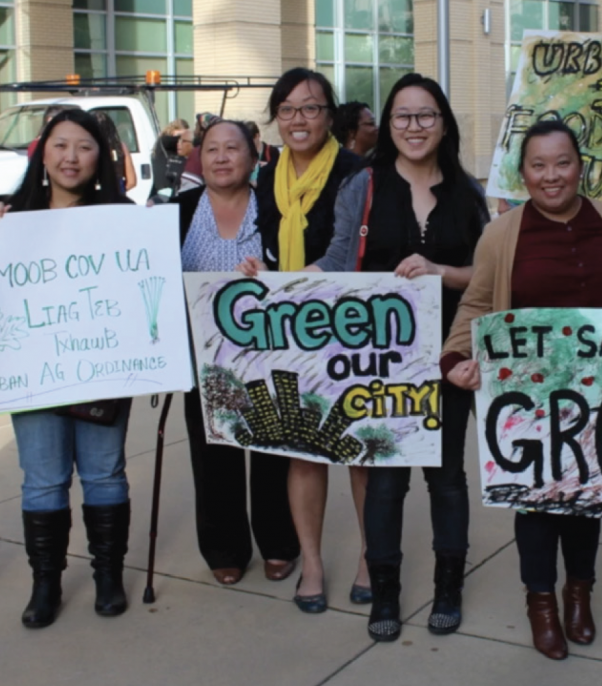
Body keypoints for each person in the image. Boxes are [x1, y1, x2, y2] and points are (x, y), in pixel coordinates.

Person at [443, 120, 602, 659]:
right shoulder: (502, 234)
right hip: (529, 400)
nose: (551, 176)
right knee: (538, 505)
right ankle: (541, 603)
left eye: (562, 163)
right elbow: (476, 305)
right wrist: (455, 357)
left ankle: (579, 593)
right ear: (522, 174)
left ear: (580, 165)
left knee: (590, 499)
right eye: (538, 166)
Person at [311, 73, 490, 643]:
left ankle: (448, 586)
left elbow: (485, 279)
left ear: (444, 123)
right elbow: (336, 262)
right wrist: (269, 286)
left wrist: (441, 272)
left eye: (426, 115)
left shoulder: (467, 192)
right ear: (388, 126)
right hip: (378, 360)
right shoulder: (362, 186)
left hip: (447, 354)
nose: (414, 127)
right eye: (403, 117)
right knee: (385, 479)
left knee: (447, 480)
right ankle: (384, 588)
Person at [237, 67, 362, 613]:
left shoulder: (358, 172)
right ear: (276, 119)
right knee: (304, 449)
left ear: (330, 116)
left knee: (360, 448)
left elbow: (351, 251)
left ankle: (369, 555)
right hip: (287, 332)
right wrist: (257, 271)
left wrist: (298, 283)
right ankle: (311, 562)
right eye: (287, 109)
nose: (298, 119)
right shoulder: (266, 177)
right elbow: (266, 245)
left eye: (311, 108)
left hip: (349, 331)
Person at [4, 109, 134, 628]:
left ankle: (107, 575)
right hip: (34, 373)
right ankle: (45, 583)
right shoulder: (12, 224)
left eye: (84, 146)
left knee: (104, 473)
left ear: (99, 156)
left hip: (103, 365)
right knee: (42, 482)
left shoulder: (125, 220)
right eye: (61, 145)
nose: (71, 157)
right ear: (43, 153)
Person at [174, 119, 300, 586]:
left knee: (272, 450)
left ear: (254, 155)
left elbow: (300, 274)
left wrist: (272, 273)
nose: (222, 157)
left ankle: (279, 543)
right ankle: (224, 547)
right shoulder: (179, 210)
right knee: (213, 456)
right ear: (199, 157)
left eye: (232, 148)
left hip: (267, 355)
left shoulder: (276, 209)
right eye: (211, 149)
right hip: (202, 359)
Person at [93, 111, 137, 193]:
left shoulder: (89, 149)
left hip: (94, 200)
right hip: (117, 199)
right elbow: (131, 182)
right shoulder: (121, 147)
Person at [150, 118, 190, 200]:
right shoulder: (164, 142)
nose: (179, 141)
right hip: (162, 191)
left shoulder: (172, 150)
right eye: (179, 137)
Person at [243, 120, 280, 185]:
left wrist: (267, 166)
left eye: (251, 140)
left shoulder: (272, 152)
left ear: (257, 136)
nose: (248, 144)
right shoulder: (244, 154)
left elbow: (278, 171)